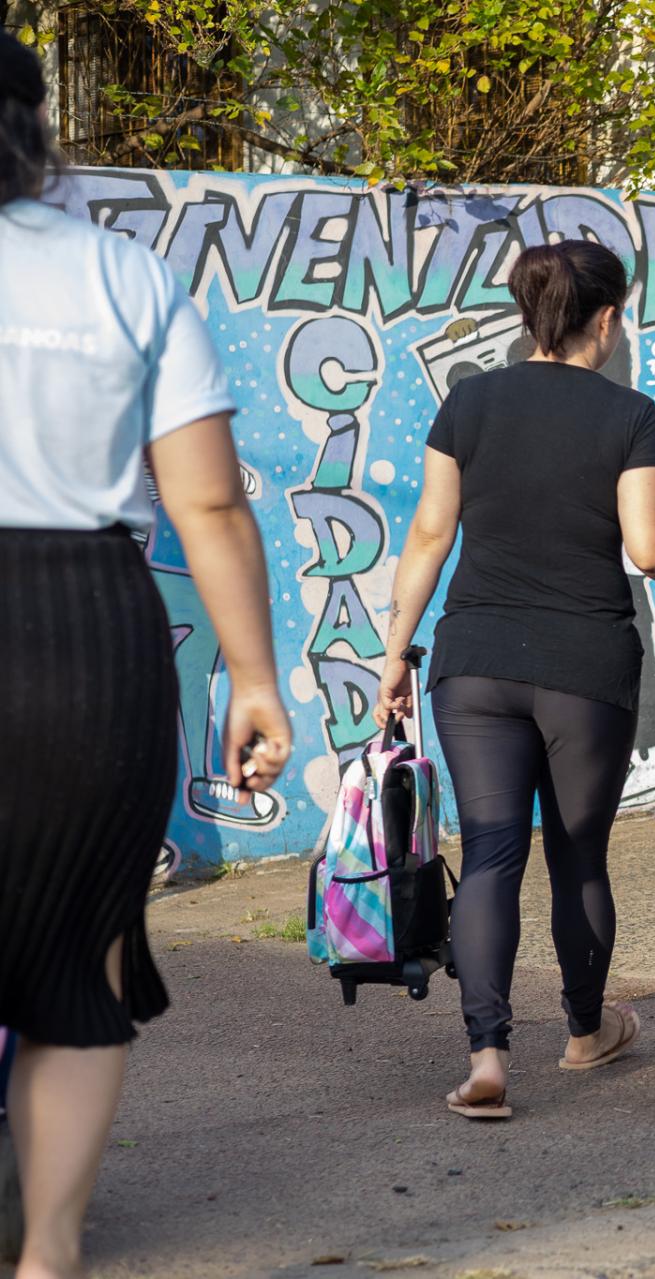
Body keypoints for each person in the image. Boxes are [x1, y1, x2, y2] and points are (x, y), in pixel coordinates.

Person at [0, 33, 293, 1276]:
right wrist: (257, 677)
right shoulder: (124, 276)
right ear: (38, 129)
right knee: (76, 955)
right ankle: (51, 1252)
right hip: (87, 636)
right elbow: (210, 507)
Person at [376, 240, 655, 1121]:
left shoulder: (468, 402)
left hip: (473, 661)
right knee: (578, 854)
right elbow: (648, 549)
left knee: (491, 852)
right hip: (583, 667)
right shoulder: (631, 414)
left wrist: (397, 653)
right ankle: (586, 1032)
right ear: (608, 318)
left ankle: (487, 1058)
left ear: (525, 315)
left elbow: (430, 535)